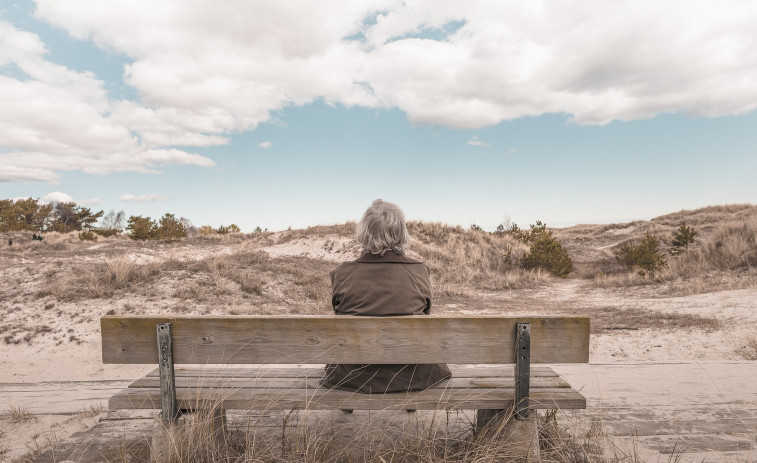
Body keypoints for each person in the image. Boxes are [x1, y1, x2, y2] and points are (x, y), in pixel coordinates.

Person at [321, 199, 452, 394]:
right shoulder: (420, 272)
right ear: (401, 232)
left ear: (364, 233)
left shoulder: (342, 273)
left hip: (355, 377)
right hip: (413, 374)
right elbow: (426, 315)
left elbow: (339, 314)